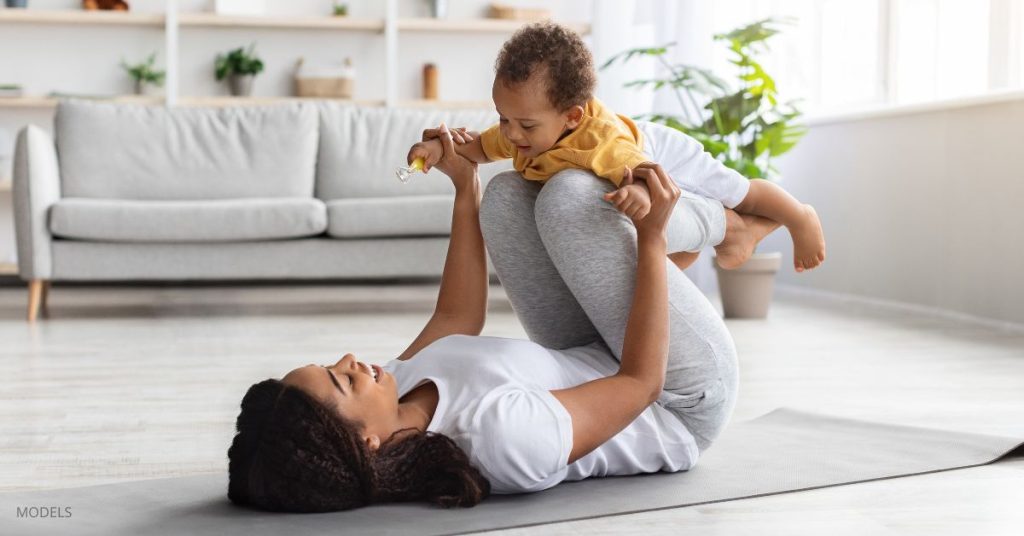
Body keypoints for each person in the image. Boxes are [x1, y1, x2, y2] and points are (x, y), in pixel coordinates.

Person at [227, 121, 764, 512]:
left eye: (330, 363)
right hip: (678, 398)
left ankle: (686, 248)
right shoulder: (501, 440)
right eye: (341, 380)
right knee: (573, 199)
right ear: (366, 442)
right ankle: (729, 225)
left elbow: (457, 314)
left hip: (596, 353)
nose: (348, 359)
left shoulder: (399, 393)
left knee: (505, 197)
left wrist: (466, 186)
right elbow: (641, 383)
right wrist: (651, 241)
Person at [407, 21, 825, 273]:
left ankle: (797, 215)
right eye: (503, 118)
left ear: (572, 116)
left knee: (737, 191)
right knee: (648, 266)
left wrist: (639, 190)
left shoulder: (599, 143)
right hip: (630, 157)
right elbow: (480, 149)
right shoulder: (521, 134)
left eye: (526, 124)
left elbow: (641, 168)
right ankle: (726, 239)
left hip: (656, 150)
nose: (511, 134)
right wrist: (444, 150)